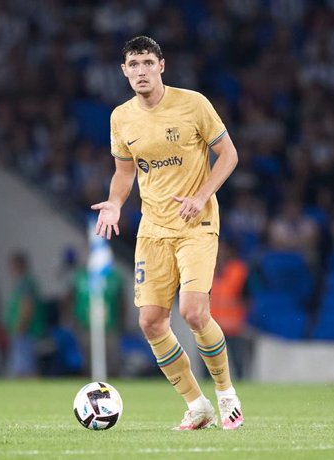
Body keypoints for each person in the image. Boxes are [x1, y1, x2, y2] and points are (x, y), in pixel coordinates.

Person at [91, 36, 242, 430]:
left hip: (197, 223)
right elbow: (125, 173)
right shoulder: (120, 118)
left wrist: (202, 194)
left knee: (193, 312)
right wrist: (114, 202)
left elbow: (229, 155)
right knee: (152, 323)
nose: (140, 71)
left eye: (146, 62)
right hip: (153, 228)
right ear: (123, 71)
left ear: (161, 65)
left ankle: (226, 395)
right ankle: (197, 405)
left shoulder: (193, 104)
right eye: (132, 64)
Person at [69, 255, 125, 377]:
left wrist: (122, 323)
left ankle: (112, 384)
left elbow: (121, 302)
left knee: (112, 358)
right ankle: (89, 385)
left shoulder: (114, 277)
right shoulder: (81, 277)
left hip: (109, 325)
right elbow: (72, 298)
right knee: (87, 358)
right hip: (86, 325)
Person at [209, 241, 249, 379]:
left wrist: (246, 321)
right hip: (210, 327)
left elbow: (248, 297)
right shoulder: (206, 270)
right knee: (209, 366)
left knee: (238, 365)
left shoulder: (238, 271)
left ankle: (241, 391)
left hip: (234, 328)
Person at [5, 251, 46, 377]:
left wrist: (19, 327)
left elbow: (26, 306)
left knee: (26, 368)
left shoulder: (25, 283)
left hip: (25, 332)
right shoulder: (26, 282)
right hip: (26, 332)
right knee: (25, 366)